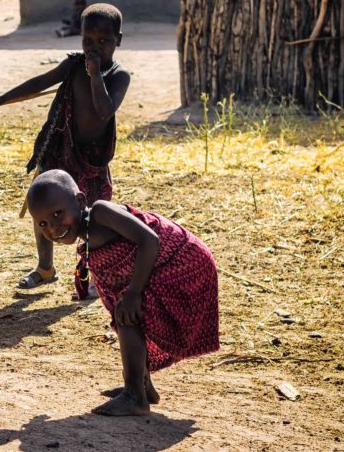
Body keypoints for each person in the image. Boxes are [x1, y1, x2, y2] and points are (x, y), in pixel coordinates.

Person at [26, 169, 219, 416]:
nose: (52, 228)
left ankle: (135, 395)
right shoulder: (87, 236)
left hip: (184, 262)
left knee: (126, 312)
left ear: (80, 201)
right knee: (124, 311)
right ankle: (142, 385)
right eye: (43, 223)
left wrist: (134, 293)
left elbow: (150, 241)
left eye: (57, 214)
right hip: (165, 262)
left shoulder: (101, 212)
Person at [0, 3, 131, 295]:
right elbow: (40, 82)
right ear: (80, 37)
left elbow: (104, 111)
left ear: (119, 40)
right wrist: (3, 98)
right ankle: (45, 268)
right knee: (44, 208)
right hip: (60, 150)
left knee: (91, 218)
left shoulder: (118, 76)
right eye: (88, 41)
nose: (95, 48)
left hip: (92, 160)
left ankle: (89, 278)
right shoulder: (73, 65)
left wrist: (96, 75)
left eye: (104, 42)